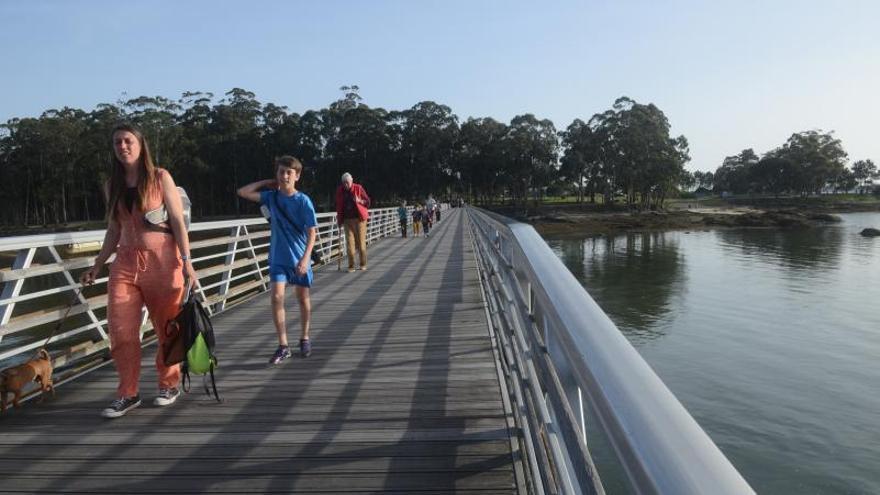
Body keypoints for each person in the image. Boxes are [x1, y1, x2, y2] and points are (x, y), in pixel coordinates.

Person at [80, 123, 197, 419]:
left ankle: (168, 384)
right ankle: (127, 392)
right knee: (121, 330)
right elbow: (113, 229)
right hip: (125, 264)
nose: (123, 147)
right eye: (117, 142)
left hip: (163, 262)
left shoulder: (160, 177)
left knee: (167, 328)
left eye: (128, 141)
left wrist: (188, 262)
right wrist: (96, 265)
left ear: (140, 144)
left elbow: (177, 222)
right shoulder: (112, 185)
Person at [237, 156, 317, 364]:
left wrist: (306, 259)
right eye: (281, 172)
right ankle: (283, 345)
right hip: (278, 258)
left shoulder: (303, 201)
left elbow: (312, 233)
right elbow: (243, 192)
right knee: (276, 298)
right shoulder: (271, 197)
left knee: (302, 299)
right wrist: (266, 182)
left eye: (289, 172)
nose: (284, 176)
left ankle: (305, 337)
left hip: (299, 257)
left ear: (297, 176)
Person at [335, 172, 370, 272]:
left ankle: (363, 264)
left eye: (347, 182)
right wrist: (339, 220)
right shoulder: (339, 191)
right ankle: (351, 266)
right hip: (347, 220)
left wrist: (360, 201)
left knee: (361, 244)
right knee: (350, 244)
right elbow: (338, 206)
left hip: (359, 219)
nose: (345, 184)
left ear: (351, 181)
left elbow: (368, 201)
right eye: (344, 182)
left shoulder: (358, 188)